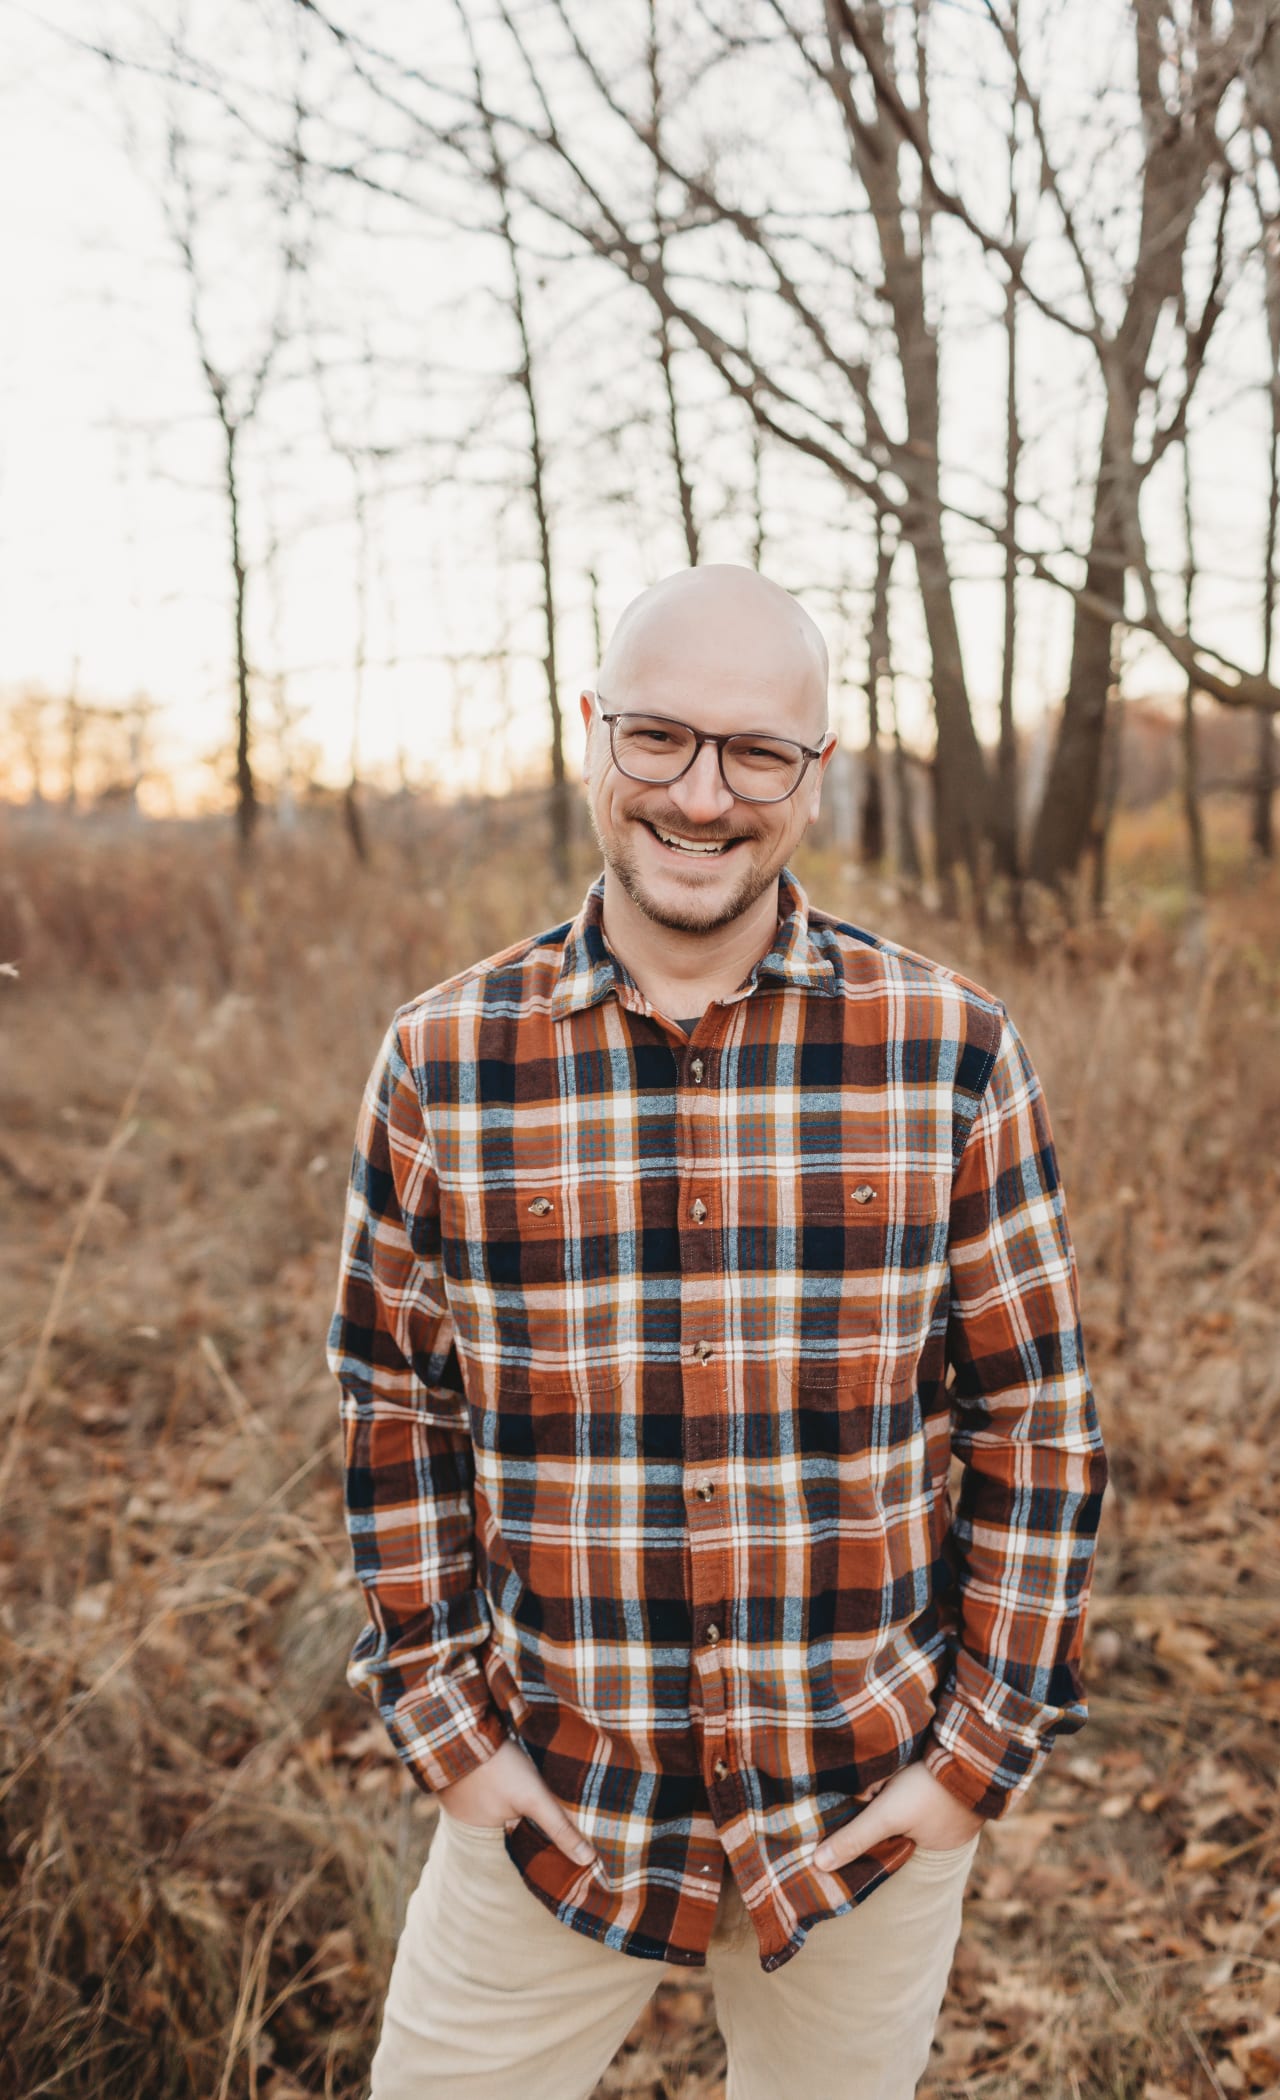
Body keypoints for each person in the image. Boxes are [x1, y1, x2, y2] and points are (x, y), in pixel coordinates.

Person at [328, 564, 1107, 2100]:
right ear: (593, 733)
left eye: (758, 752)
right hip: (554, 1792)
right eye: (662, 738)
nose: (703, 796)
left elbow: (1038, 1417)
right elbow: (394, 1412)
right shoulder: (443, 1063)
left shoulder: (949, 1050)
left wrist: (972, 1763)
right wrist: (450, 1735)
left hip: (862, 1806)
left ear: (819, 773)